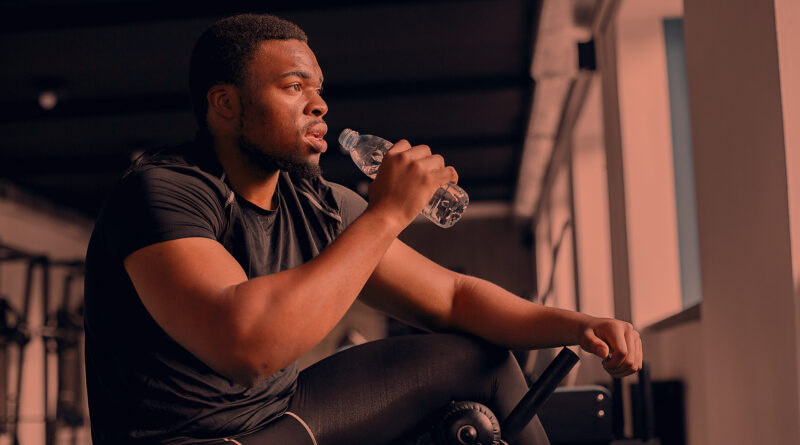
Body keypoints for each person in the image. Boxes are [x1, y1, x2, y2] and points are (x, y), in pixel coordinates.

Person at [83, 13, 642, 445]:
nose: (319, 104)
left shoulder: (318, 203)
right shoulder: (162, 191)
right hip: (199, 440)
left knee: (481, 357)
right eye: (293, 87)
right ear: (225, 104)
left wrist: (582, 323)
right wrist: (388, 214)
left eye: (318, 88)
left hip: (277, 420)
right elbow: (246, 346)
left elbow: (452, 296)